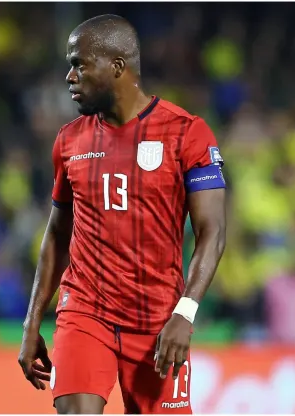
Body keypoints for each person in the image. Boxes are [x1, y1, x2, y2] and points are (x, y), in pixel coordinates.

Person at [18, 14, 227, 414]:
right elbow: (58, 234)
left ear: (116, 67)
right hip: (85, 313)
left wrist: (185, 313)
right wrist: (33, 321)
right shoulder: (69, 141)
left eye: (80, 63)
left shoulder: (187, 133)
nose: (69, 76)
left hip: (157, 321)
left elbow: (212, 232)